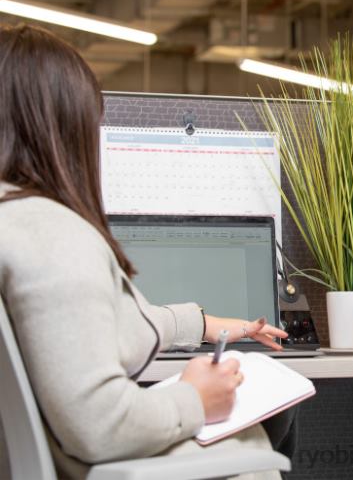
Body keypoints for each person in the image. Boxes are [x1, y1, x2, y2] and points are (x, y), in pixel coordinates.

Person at [0, 24, 295, 480]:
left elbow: (80, 326)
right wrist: (195, 399)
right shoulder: (53, 235)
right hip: (99, 467)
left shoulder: (16, 222)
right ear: (64, 130)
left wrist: (201, 324)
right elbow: (98, 423)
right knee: (268, 416)